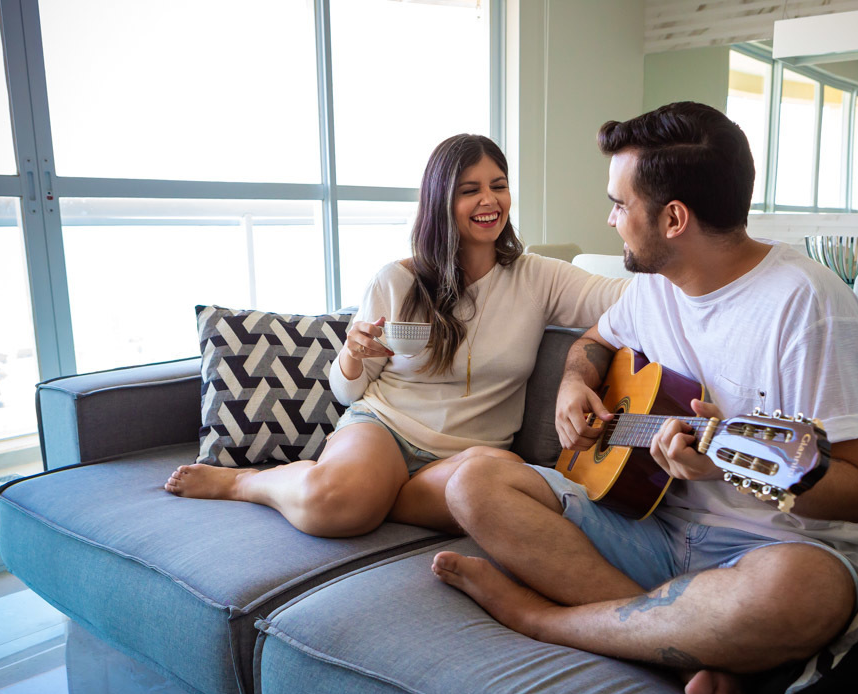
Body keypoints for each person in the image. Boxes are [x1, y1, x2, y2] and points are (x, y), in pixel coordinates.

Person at [430, 102, 858, 694]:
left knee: (803, 597)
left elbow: (857, 492)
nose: (609, 219)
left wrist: (727, 465)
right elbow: (594, 341)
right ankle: (682, 646)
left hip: (771, 551)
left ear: (673, 218)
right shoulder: (653, 284)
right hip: (655, 530)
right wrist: (573, 385)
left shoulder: (809, 304)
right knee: (473, 481)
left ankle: (545, 619)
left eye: (619, 204)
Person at [165, 134, 626, 537]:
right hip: (385, 429)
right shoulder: (396, 280)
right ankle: (247, 482)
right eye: (471, 190)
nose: (490, 201)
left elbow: (625, 300)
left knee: (507, 484)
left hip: (470, 456)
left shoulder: (540, 278)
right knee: (333, 507)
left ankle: (379, 498)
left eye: (498, 186)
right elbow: (349, 391)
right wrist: (350, 353)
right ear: (441, 201)